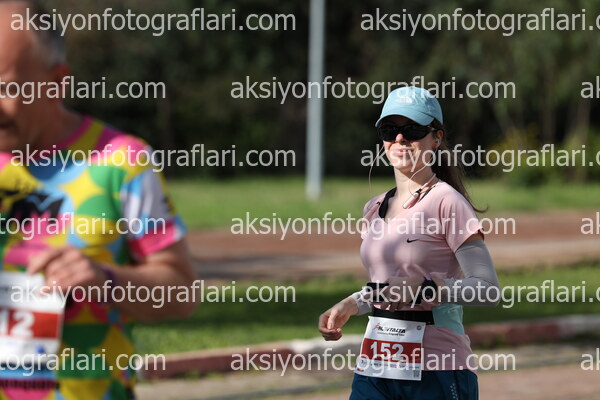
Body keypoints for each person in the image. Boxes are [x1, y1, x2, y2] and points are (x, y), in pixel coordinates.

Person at [0, 1, 198, 399]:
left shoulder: (121, 164)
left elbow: (181, 293)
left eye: (5, 88)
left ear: (56, 83)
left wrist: (107, 280)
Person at [318, 86, 500, 399]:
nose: (400, 139)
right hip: (376, 366)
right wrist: (354, 303)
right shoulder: (374, 207)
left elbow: (488, 290)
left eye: (413, 130)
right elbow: (388, 286)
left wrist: (426, 288)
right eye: (390, 130)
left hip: (438, 368)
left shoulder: (447, 202)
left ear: (436, 138)